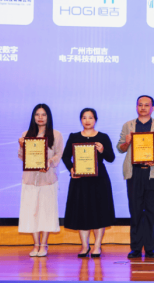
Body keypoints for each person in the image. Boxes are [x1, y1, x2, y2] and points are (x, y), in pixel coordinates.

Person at [117, 95, 154, 259]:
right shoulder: (128, 125)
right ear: (136, 107)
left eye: (146, 105)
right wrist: (127, 142)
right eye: (140, 105)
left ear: (152, 108)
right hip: (134, 173)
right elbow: (120, 148)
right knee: (135, 212)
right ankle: (135, 248)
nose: (143, 107)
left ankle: (150, 248)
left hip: (153, 173)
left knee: (152, 211)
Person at [61, 108, 116, 258]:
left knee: (99, 213)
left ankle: (97, 246)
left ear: (95, 120)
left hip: (99, 180)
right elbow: (65, 157)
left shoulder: (103, 137)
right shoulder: (74, 137)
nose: (87, 120)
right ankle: (85, 246)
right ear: (81, 120)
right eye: (84, 117)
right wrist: (71, 168)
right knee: (82, 212)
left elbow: (111, 158)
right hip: (80, 180)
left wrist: (102, 150)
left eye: (90, 117)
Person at [17, 104, 63, 257]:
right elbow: (22, 157)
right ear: (33, 117)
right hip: (30, 180)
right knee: (32, 212)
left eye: (44, 114)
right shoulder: (26, 134)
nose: (40, 117)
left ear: (48, 117)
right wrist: (22, 146)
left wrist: (49, 162)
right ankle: (36, 244)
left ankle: (44, 244)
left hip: (48, 180)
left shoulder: (56, 135)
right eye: (37, 114)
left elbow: (58, 155)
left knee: (46, 212)